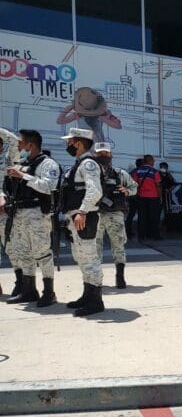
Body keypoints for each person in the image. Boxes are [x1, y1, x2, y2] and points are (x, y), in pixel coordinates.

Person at [4, 129, 61, 307]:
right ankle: (29, 291)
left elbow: (49, 185)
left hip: (37, 214)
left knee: (42, 254)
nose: (18, 146)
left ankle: (49, 292)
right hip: (19, 214)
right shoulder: (21, 163)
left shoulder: (48, 164)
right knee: (23, 253)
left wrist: (24, 176)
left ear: (30, 145)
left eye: (20, 144)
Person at [60, 128, 105, 317]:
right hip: (76, 217)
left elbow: (95, 191)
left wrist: (83, 211)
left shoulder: (88, 164)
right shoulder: (78, 163)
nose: (67, 145)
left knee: (90, 259)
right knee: (81, 258)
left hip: (84, 216)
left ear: (79, 142)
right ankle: (87, 295)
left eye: (70, 142)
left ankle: (96, 301)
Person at [94, 142, 137, 288]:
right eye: (100, 154)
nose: (103, 156)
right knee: (95, 248)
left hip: (115, 214)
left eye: (105, 153)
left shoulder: (120, 173)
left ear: (111, 155)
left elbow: (134, 187)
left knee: (118, 246)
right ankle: (97, 279)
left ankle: (120, 277)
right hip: (96, 214)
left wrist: (127, 190)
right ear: (94, 155)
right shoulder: (91, 174)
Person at [0, 127, 23, 297]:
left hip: (4, 212)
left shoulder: (8, 161)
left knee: (12, 248)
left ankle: (21, 283)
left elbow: (15, 142)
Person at [131, 155, 162, 241]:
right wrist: (160, 196)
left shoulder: (137, 171)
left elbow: (134, 185)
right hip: (153, 197)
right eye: (153, 161)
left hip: (141, 197)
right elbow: (158, 185)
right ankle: (155, 235)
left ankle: (141, 236)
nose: (154, 162)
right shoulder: (154, 171)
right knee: (154, 217)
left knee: (142, 217)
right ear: (150, 161)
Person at [125, 158, 143, 238]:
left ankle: (128, 231)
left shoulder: (132, 172)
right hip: (138, 195)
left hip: (131, 196)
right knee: (141, 214)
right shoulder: (139, 172)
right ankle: (141, 231)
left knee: (131, 214)